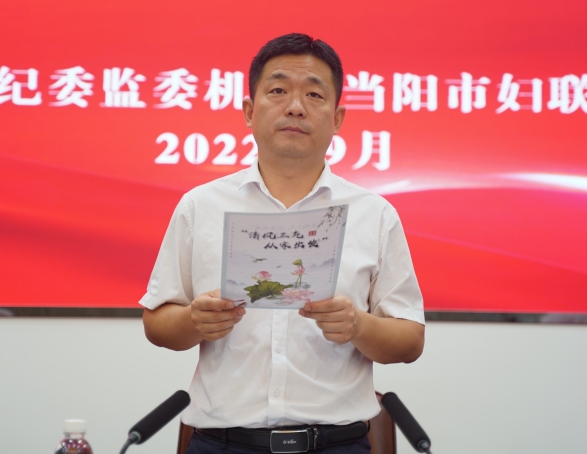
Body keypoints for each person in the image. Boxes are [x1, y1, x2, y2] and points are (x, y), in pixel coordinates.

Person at [141, 33, 425, 453]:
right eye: (278, 91)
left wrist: (359, 327)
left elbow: (410, 340)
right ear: (249, 111)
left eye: (314, 94)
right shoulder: (200, 206)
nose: (295, 106)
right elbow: (156, 323)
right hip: (222, 444)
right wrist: (193, 321)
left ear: (337, 118)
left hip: (337, 445)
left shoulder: (374, 214)